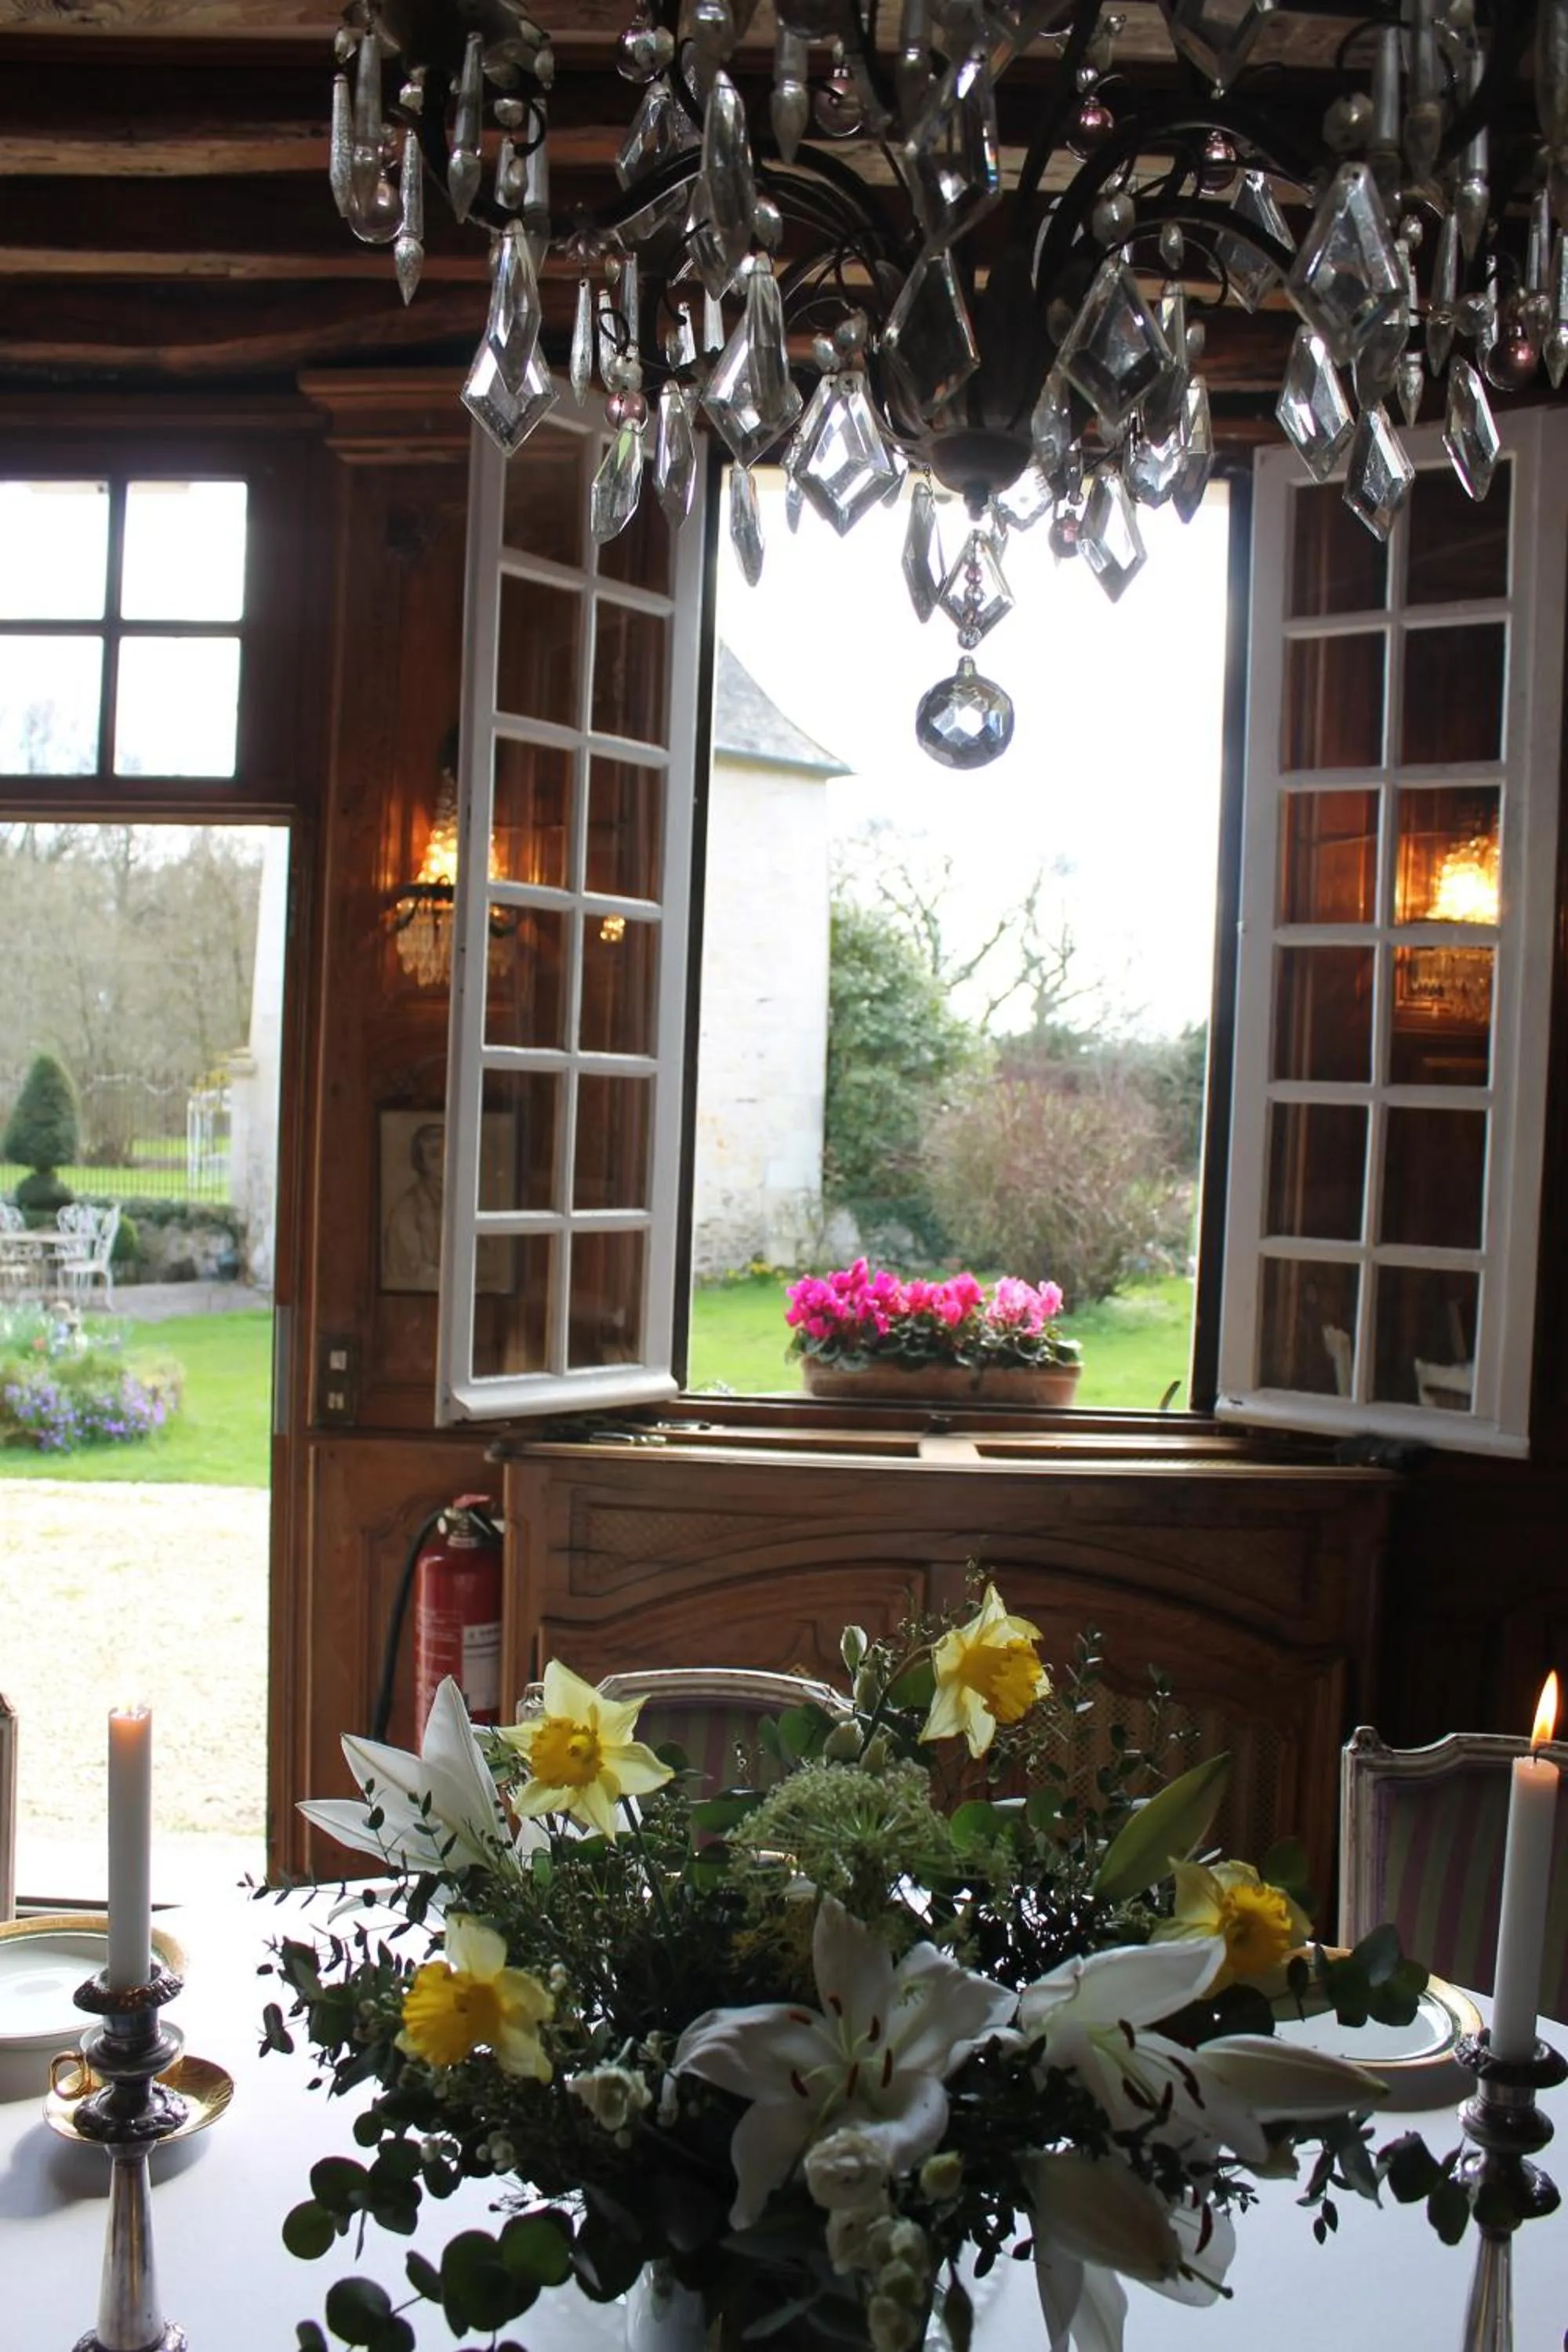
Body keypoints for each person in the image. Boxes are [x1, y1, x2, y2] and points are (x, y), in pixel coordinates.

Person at [383, 1119, 444, 1290]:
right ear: (421, 1162)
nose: (444, 1162)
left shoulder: (464, 1205)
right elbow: (412, 1273)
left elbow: (491, 1263)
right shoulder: (407, 1210)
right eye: (434, 1155)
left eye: (449, 1153)